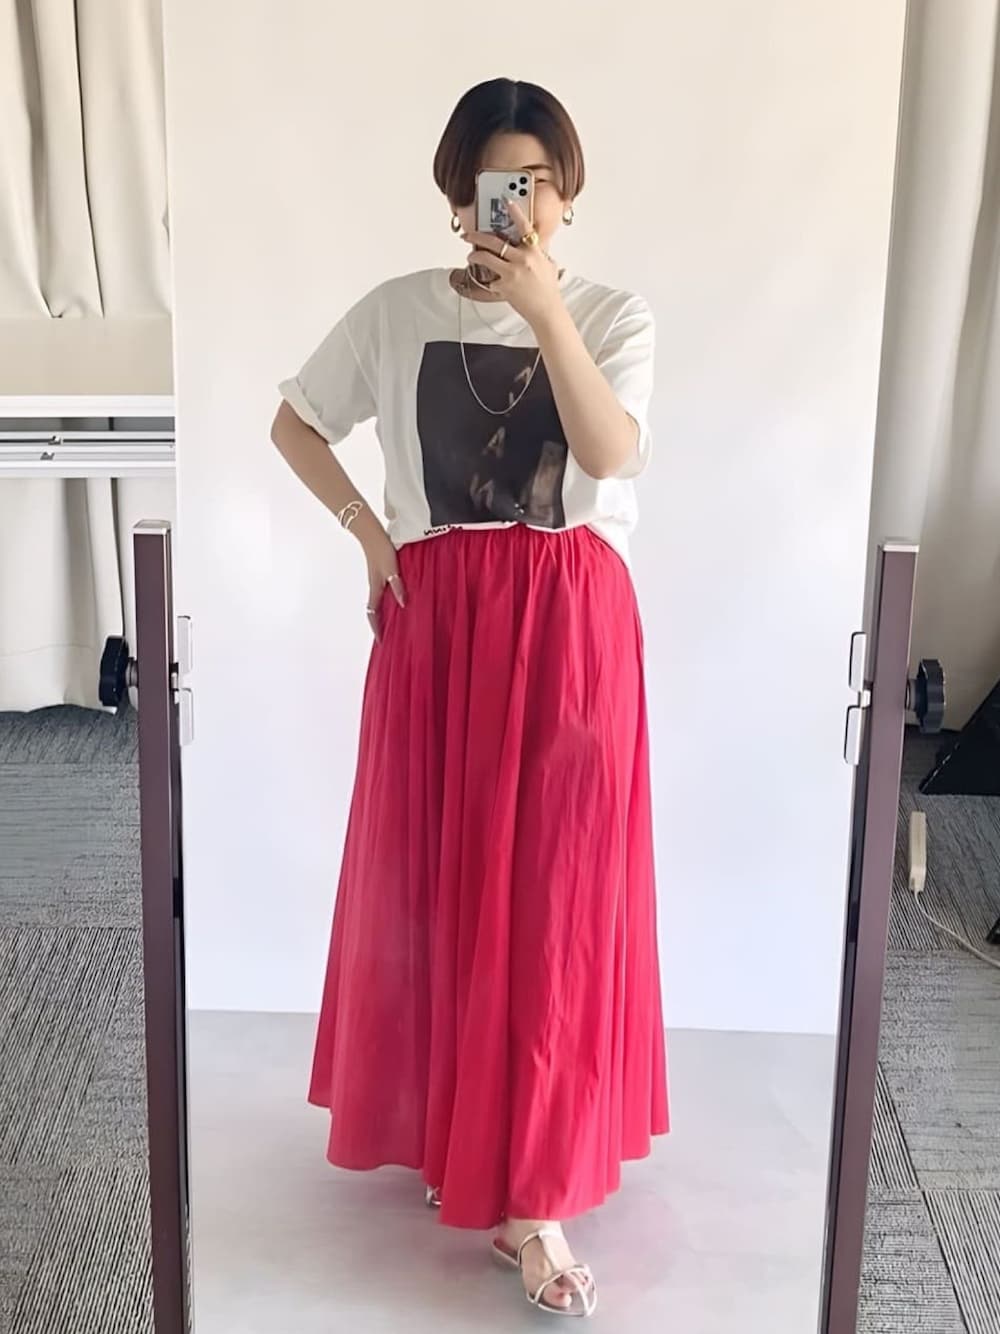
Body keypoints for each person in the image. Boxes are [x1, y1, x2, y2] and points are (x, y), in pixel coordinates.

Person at [271, 77, 669, 1319]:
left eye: (538, 184)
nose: (519, 204)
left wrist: (545, 310)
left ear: (567, 194)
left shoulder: (612, 313)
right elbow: (294, 424)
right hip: (438, 623)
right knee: (441, 885)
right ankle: (469, 1138)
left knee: (553, 900)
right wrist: (368, 534)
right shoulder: (395, 313)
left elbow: (608, 454)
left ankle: (533, 1196)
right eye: (497, 184)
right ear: (457, 197)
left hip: (567, 625)